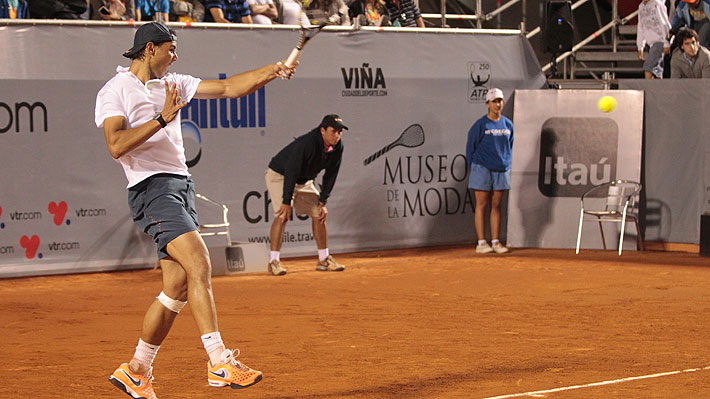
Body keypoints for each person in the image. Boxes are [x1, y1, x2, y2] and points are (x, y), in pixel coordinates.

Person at [94, 22, 295, 398]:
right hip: (151, 190)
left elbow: (229, 87)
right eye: (171, 49)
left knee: (177, 287)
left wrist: (273, 69)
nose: (176, 56)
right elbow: (116, 145)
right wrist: (161, 119)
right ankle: (219, 361)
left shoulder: (175, 83)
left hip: (181, 187)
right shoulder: (115, 90)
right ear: (150, 49)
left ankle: (136, 368)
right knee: (200, 262)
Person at [265, 114, 347, 276]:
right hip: (280, 175)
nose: (337, 135)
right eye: (333, 131)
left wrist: (323, 201)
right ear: (322, 130)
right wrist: (286, 201)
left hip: (305, 180)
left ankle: (323, 259)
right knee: (282, 215)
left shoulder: (338, 147)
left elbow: (331, 174)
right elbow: (291, 171)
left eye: (339, 132)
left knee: (319, 214)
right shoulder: (307, 143)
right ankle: (273, 262)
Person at [465, 88, 513, 255]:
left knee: (496, 205)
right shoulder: (480, 125)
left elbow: (510, 145)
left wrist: (505, 162)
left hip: (502, 169)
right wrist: (475, 168)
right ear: (487, 104)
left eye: (499, 101)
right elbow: (470, 147)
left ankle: (495, 242)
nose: (497, 104)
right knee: (482, 204)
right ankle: (481, 242)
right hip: (482, 168)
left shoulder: (508, 125)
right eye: (494, 101)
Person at [638, 0, 671, 79]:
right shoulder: (641, 6)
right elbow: (641, 26)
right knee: (657, 70)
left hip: (660, 41)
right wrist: (640, 46)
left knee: (648, 66)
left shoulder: (657, 4)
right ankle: (658, 88)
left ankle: (648, 88)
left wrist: (666, 42)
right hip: (651, 43)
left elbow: (664, 24)